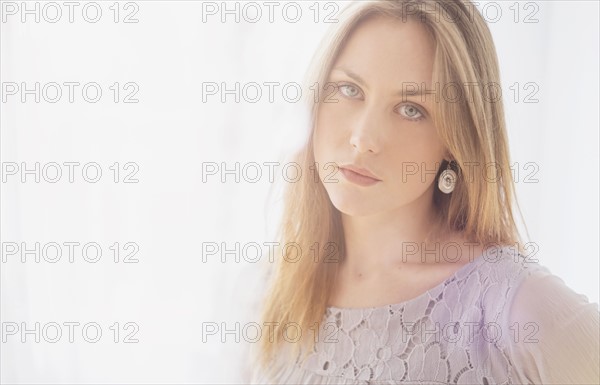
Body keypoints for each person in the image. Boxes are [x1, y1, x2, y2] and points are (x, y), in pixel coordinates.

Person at [245, 0, 600, 383]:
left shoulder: (512, 309)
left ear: (455, 139)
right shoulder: (273, 285)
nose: (363, 139)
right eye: (349, 89)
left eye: (411, 109)